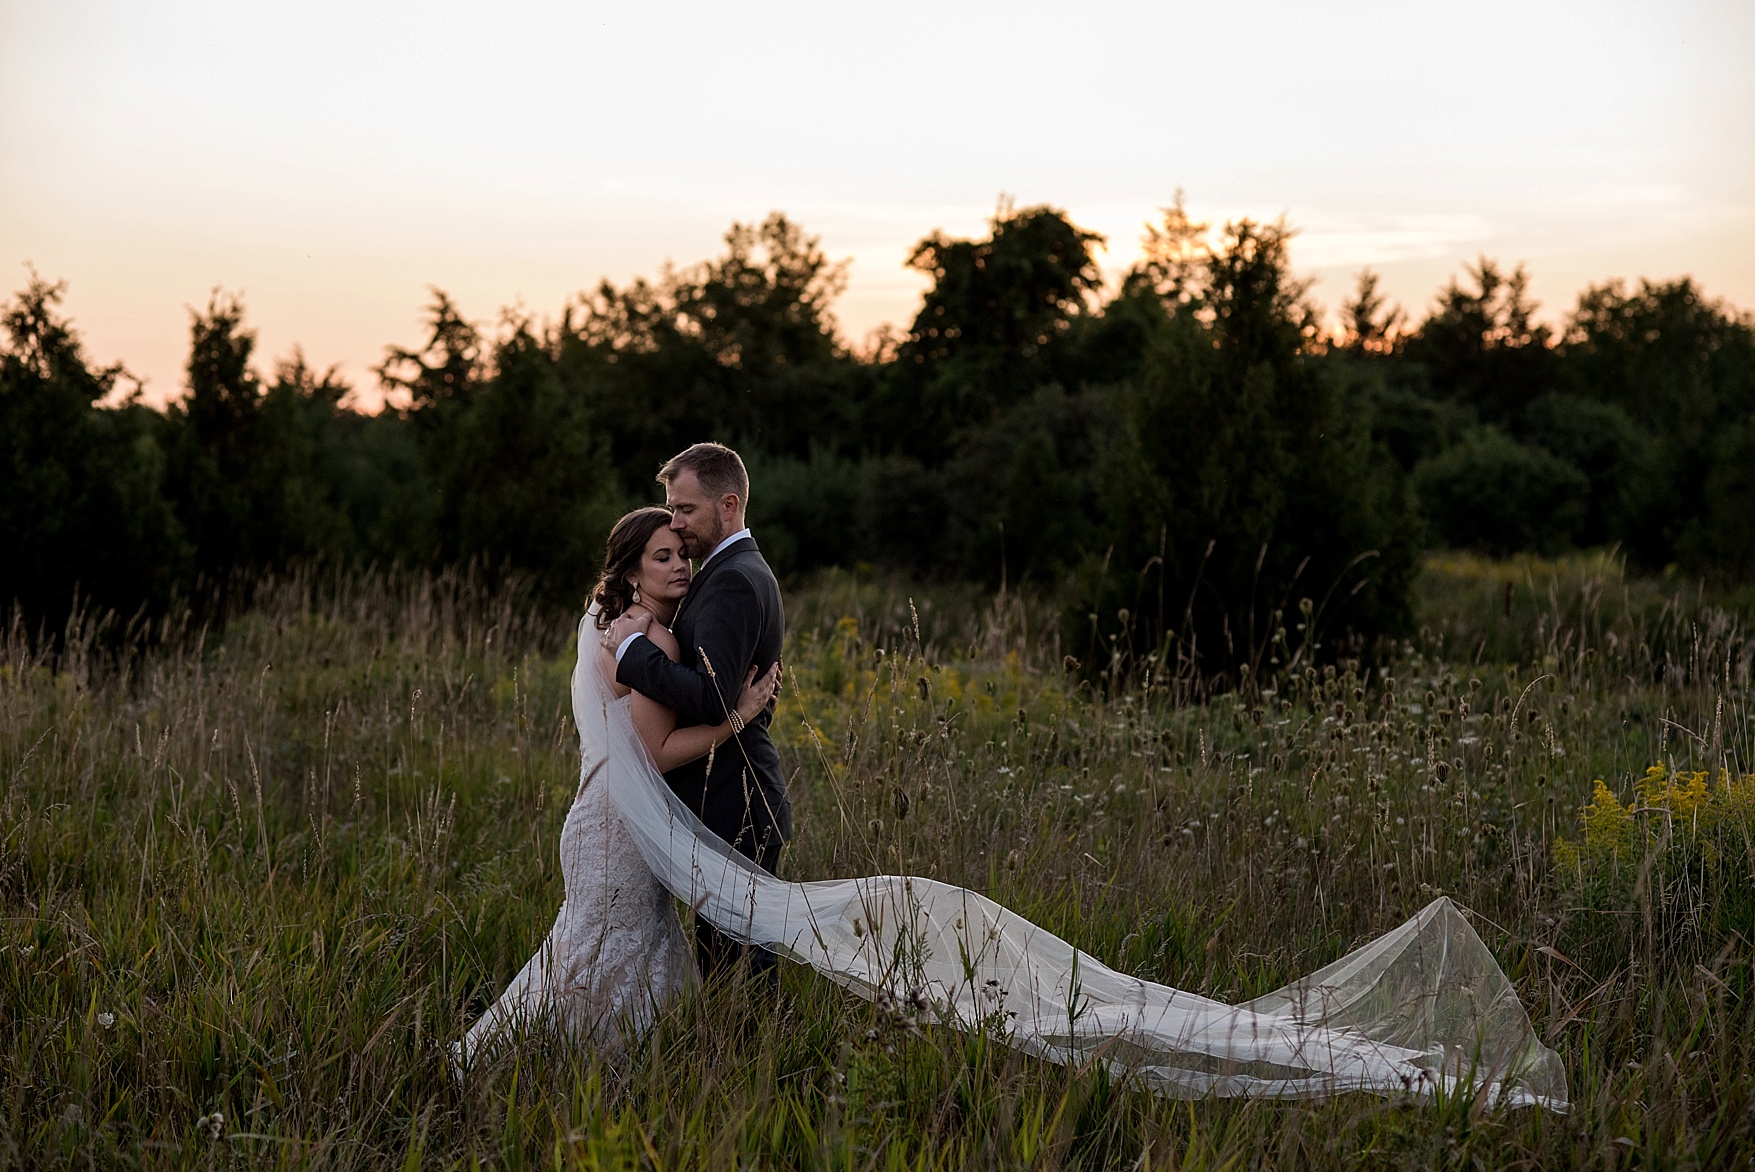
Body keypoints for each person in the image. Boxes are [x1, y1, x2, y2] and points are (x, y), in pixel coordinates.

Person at [456, 505, 777, 1065]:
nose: (682, 566)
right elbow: (658, 752)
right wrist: (739, 716)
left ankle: (565, 1069)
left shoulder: (613, 627)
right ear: (632, 573)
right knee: (601, 957)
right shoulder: (653, 642)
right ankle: (535, 1066)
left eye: (682, 554)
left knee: (592, 954)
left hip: (599, 814)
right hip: (621, 829)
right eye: (663, 558)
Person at [603, 443, 789, 989]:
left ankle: (758, 1069)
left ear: (728, 504)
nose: (677, 524)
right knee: (730, 965)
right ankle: (748, 1064)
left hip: (737, 804)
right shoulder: (732, 570)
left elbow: (711, 696)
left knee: (740, 974)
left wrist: (634, 654)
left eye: (685, 509)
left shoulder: (732, 578)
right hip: (731, 801)